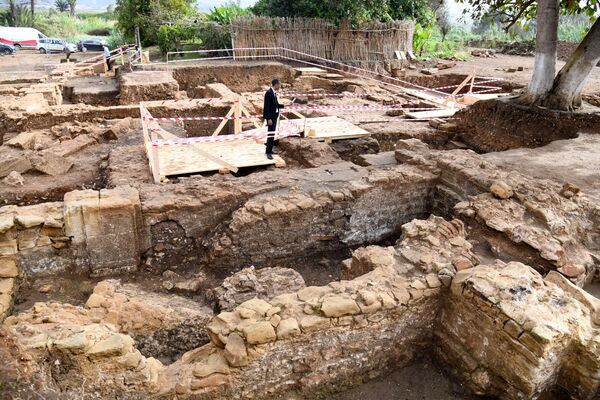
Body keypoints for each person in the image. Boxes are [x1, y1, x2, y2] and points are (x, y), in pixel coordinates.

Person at [263, 79, 284, 159]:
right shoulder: (269, 93)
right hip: (271, 118)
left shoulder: (273, 93)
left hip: (274, 117)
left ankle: (269, 150)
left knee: (272, 134)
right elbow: (266, 107)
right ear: (275, 84)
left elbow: (276, 105)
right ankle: (268, 152)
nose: (279, 86)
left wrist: (284, 106)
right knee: (270, 134)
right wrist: (268, 119)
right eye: (279, 85)